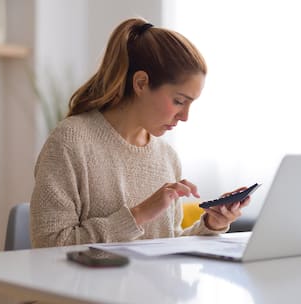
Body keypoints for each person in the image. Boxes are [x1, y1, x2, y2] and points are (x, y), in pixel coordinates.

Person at [30, 17, 250, 248]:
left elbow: (165, 246)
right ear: (142, 83)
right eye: (178, 101)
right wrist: (139, 214)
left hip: (151, 284)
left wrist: (212, 224)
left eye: (190, 104)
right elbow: (49, 245)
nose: (185, 116)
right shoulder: (70, 142)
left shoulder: (166, 157)